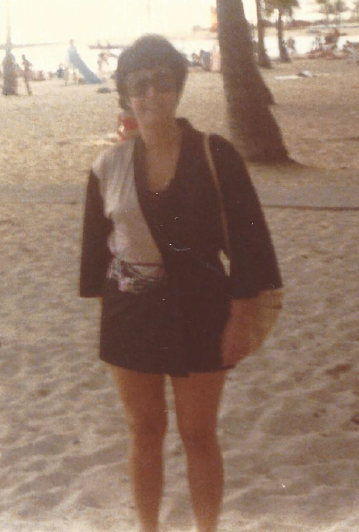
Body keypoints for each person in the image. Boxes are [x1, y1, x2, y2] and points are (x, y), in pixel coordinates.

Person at [79, 35, 282, 532]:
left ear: (177, 89)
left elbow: (249, 245)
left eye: (162, 83)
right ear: (125, 95)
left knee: (197, 434)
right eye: (139, 85)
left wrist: (238, 318)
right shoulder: (107, 167)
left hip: (203, 311)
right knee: (143, 431)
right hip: (131, 314)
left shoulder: (215, 154)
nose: (151, 95)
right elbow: (96, 254)